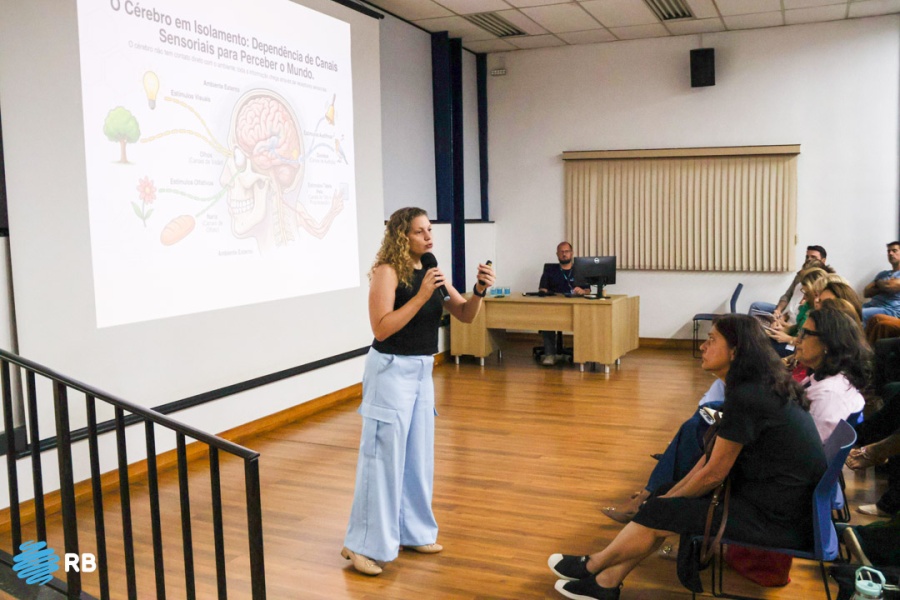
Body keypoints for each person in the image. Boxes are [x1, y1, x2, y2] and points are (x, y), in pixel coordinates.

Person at [549, 315, 825, 600]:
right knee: (662, 499)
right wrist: (668, 497)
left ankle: (593, 565)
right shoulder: (758, 385)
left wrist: (668, 503)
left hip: (777, 521)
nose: (703, 346)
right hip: (775, 505)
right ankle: (605, 582)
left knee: (662, 509)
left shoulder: (749, 396)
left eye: (712, 340)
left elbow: (714, 474)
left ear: (735, 351)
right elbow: (708, 461)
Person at [341, 207, 495, 576]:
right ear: (402, 236)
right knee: (382, 460)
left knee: (417, 457)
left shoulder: (430, 267)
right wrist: (421, 295)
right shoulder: (387, 271)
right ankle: (361, 545)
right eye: (419, 231)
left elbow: (465, 314)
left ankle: (413, 531)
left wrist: (478, 290)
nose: (428, 237)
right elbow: (381, 328)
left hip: (422, 371)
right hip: (390, 370)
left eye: (429, 230)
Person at [794, 304, 869, 442]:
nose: (797, 339)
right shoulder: (825, 376)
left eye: (805, 333)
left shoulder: (828, 395)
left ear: (828, 343)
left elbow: (806, 446)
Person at [538, 242, 587, 366]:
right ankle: (549, 354)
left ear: (571, 253)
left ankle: (583, 353)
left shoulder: (580, 270)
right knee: (547, 320)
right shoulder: (550, 270)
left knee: (587, 320)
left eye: (566, 251)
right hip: (555, 307)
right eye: (561, 252)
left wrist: (583, 291)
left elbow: (588, 290)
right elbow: (542, 289)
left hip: (576, 306)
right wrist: (546, 292)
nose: (564, 254)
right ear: (557, 254)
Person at [749, 245, 827, 321]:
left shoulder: (823, 281)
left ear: (823, 261)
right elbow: (787, 295)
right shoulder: (799, 276)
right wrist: (778, 310)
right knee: (755, 306)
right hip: (787, 309)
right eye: (807, 257)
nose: (809, 259)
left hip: (795, 314)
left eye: (813, 257)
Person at [862, 241, 900, 323]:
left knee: (859, 314)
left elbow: (889, 286)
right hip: (872, 306)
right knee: (846, 311)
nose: (890, 253)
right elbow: (866, 292)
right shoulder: (882, 274)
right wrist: (881, 284)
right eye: (888, 251)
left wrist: (877, 285)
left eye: (894, 250)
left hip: (891, 310)